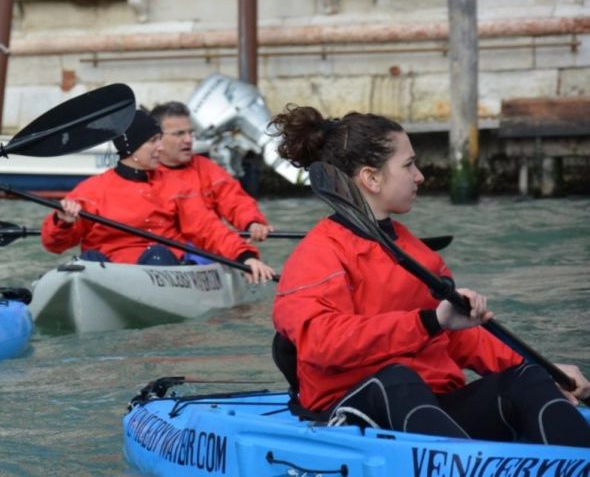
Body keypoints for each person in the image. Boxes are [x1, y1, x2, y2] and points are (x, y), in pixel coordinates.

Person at [270, 104, 590, 447]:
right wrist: (427, 322)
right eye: (408, 165)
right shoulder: (317, 254)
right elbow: (323, 345)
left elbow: (461, 338)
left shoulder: (418, 254)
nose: (420, 176)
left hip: (427, 407)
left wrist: (547, 372)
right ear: (371, 178)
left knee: (527, 379)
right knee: (397, 381)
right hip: (350, 413)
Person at [41, 110, 275, 283]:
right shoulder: (90, 191)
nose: (160, 148)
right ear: (131, 150)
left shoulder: (176, 187)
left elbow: (208, 229)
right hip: (108, 273)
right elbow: (54, 245)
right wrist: (62, 222)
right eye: (153, 141)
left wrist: (244, 257)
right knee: (88, 260)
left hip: (161, 269)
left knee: (158, 255)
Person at [149, 101, 273, 242]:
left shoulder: (206, 168)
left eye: (190, 133)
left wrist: (252, 223)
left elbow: (235, 200)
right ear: (156, 138)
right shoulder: (143, 172)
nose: (189, 140)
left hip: (208, 250)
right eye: (179, 134)